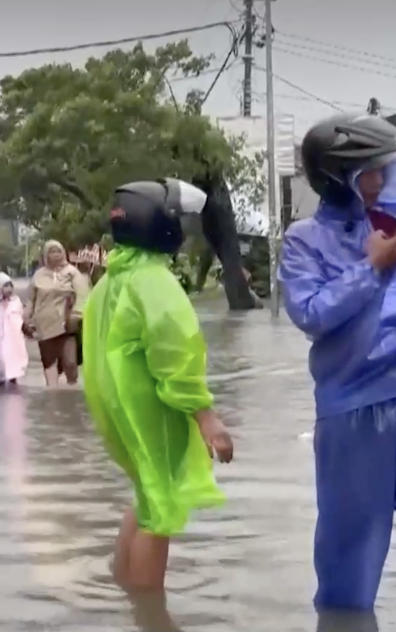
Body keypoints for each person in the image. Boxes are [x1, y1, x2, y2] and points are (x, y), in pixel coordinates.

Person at [278, 112, 396, 623]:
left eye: (391, 168)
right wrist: (372, 268)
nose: (387, 180)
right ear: (340, 176)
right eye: (375, 171)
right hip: (354, 408)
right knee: (349, 550)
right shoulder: (304, 240)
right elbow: (311, 313)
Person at [82, 179, 235, 591]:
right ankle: (148, 609)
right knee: (159, 511)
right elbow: (176, 356)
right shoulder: (154, 282)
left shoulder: (112, 279)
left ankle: (125, 591)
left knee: (147, 495)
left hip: (121, 411)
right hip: (150, 410)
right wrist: (206, 418)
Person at [26, 240, 89, 386]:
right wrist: (26, 320)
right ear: (46, 255)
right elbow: (30, 300)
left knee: (70, 363)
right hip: (44, 327)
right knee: (49, 365)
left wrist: (76, 315)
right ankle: (53, 395)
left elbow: (83, 295)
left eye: (58, 251)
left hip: (67, 326)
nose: (56, 255)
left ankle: (72, 390)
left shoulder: (72, 272)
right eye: (52, 252)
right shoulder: (38, 275)